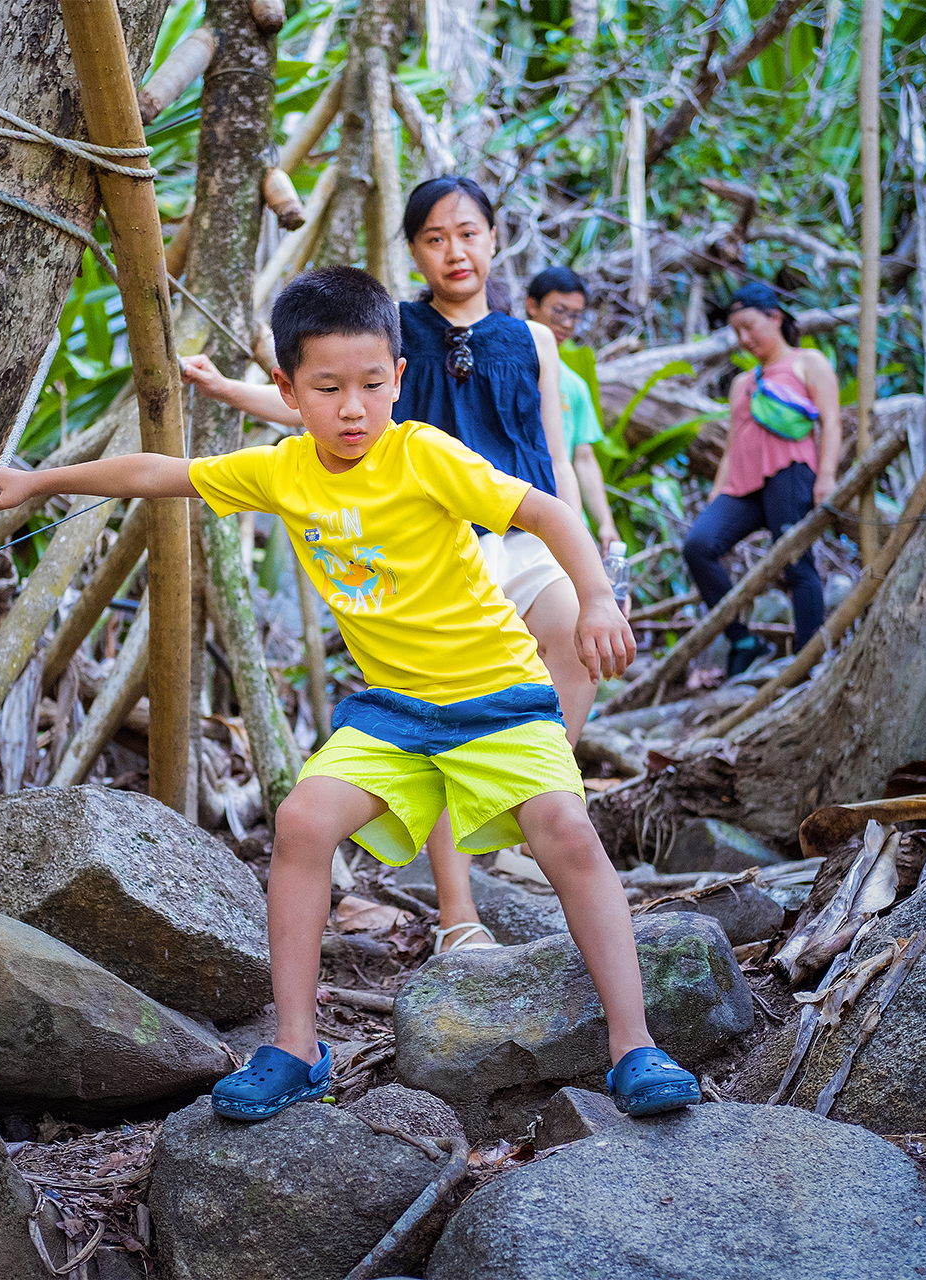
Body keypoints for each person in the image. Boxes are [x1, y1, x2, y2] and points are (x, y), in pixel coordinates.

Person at [0, 266, 702, 1121]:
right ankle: (294, 1046)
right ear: (287, 389)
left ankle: (633, 1045)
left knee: (566, 830)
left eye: (370, 384)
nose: (352, 408)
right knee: (302, 821)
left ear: (399, 377)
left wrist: (597, 597)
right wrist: (40, 483)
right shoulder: (285, 472)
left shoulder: (422, 453)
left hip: (498, 694)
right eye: (327, 388)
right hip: (395, 708)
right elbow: (157, 473)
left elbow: (546, 513)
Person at [182, 176, 591, 959]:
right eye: (435, 238)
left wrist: (584, 549)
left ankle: (523, 798)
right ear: (414, 252)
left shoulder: (531, 338)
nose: (455, 250)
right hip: (443, 534)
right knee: (440, 702)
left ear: (495, 239)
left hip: (523, 518)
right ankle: (458, 908)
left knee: (571, 639)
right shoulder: (396, 328)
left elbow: (554, 448)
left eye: (468, 233)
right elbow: (328, 402)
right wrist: (228, 387)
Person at [682, 280, 841, 677]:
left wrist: (826, 477)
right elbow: (734, 446)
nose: (744, 338)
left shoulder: (808, 363)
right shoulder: (742, 383)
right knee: (698, 545)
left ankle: (807, 664)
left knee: (795, 562)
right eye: (737, 332)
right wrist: (716, 496)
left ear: (775, 317)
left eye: (750, 326)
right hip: (744, 486)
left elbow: (833, 423)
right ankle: (743, 640)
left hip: (792, 473)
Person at [524, 266, 617, 552]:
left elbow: (584, 458)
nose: (567, 323)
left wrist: (605, 522)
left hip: (564, 511)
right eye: (559, 310)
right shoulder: (501, 368)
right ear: (532, 306)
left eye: (576, 315)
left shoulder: (575, 385)